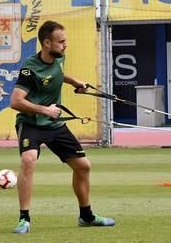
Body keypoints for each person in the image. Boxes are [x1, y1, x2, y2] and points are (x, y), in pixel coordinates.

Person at [9, 21, 115, 233]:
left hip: (54, 125)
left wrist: (75, 82)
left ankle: (86, 216)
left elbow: (57, 74)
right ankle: (24, 219)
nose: (65, 45)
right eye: (61, 41)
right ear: (47, 43)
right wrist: (45, 110)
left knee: (83, 166)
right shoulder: (30, 70)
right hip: (32, 123)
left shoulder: (59, 58)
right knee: (28, 160)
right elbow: (16, 102)